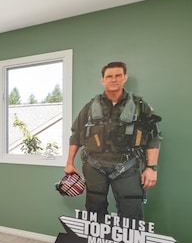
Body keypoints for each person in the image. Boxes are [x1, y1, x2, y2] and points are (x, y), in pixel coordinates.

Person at [65, 61, 162, 220]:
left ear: (125, 77)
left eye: (118, 75)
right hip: (94, 165)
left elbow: (154, 137)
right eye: (109, 76)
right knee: (94, 213)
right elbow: (76, 134)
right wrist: (69, 163)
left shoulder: (140, 106)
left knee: (132, 212)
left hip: (127, 166)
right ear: (102, 80)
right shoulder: (90, 106)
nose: (114, 79)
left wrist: (151, 168)